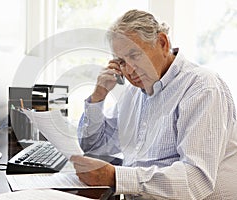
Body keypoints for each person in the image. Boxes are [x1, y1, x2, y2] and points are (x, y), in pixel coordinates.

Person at [70, 9, 237, 199]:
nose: (130, 70)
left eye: (135, 55)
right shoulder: (133, 93)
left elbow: (196, 180)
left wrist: (116, 177)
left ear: (162, 43)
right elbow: (95, 147)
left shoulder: (202, 88)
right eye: (122, 61)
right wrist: (98, 96)